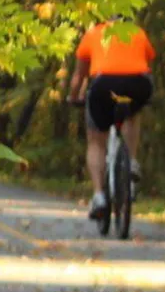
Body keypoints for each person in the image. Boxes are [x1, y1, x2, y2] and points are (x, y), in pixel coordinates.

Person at [66, 18, 156, 221]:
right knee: (132, 115)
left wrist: (74, 97)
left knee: (96, 139)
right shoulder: (137, 31)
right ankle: (131, 161)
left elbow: (78, 77)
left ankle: (99, 196)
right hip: (138, 83)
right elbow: (148, 64)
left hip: (104, 84)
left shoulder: (93, 34)